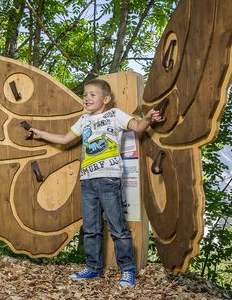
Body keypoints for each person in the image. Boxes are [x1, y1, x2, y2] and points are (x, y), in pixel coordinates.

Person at [29, 79, 163, 287]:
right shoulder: (83, 120)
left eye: (93, 94)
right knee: (91, 228)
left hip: (109, 179)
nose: (87, 98)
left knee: (118, 228)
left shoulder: (114, 115)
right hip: (87, 181)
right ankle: (93, 268)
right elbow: (65, 139)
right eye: (85, 94)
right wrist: (41, 134)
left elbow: (137, 127)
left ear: (106, 99)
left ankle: (127, 270)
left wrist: (147, 119)